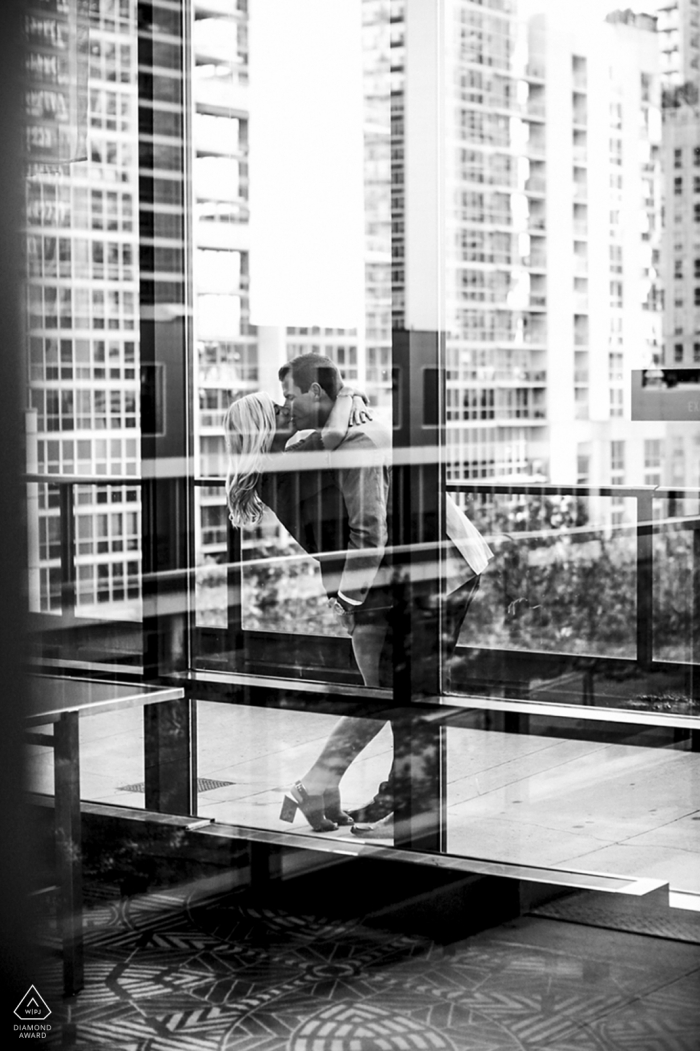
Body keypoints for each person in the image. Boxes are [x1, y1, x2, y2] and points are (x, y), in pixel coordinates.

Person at [225, 354, 493, 836]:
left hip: (388, 578)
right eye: (280, 406)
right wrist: (346, 399)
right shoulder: (302, 456)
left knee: (393, 696)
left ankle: (335, 790)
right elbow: (363, 520)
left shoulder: (270, 472)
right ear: (269, 424)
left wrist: (343, 401)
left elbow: (340, 445)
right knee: (395, 697)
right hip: (380, 582)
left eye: (290, 400)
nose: (288, 411)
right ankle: (336, 788)